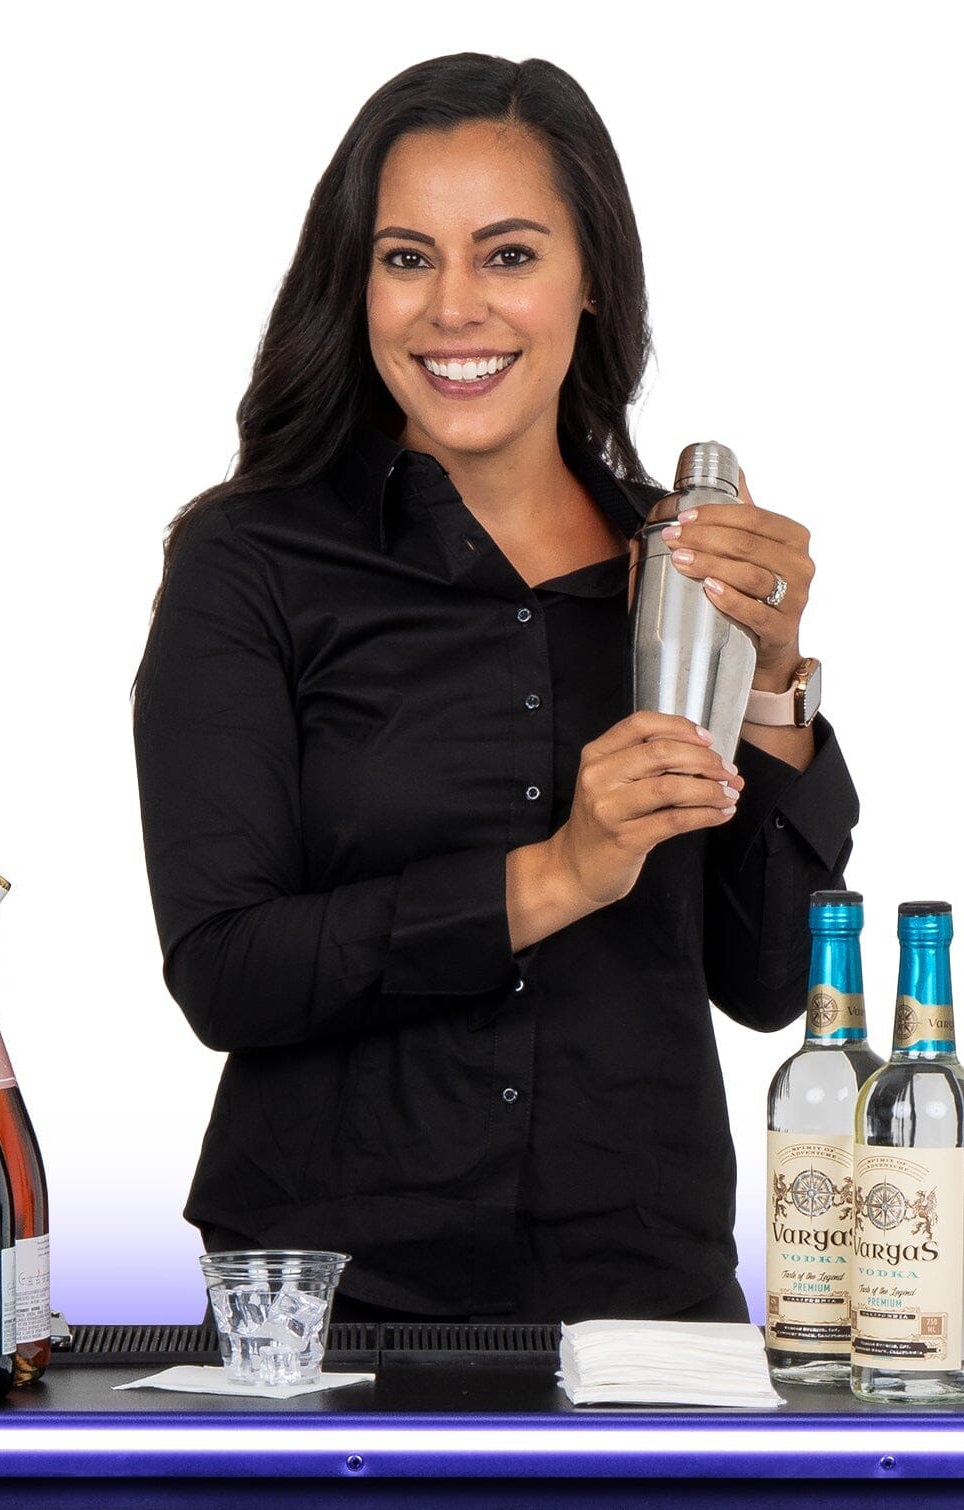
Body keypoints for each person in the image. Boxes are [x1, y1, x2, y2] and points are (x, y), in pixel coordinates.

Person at [133, 52, 858, 1324]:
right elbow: (226, 968)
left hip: (643, 1302)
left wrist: (772, 686)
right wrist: (557, 875)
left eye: (509, 255)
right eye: (407, 257)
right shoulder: (253, 562)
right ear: (355, 286)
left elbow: (770, 985)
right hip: (329, 1305)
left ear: (590, 287)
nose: (452, 308)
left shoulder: (680, 571)